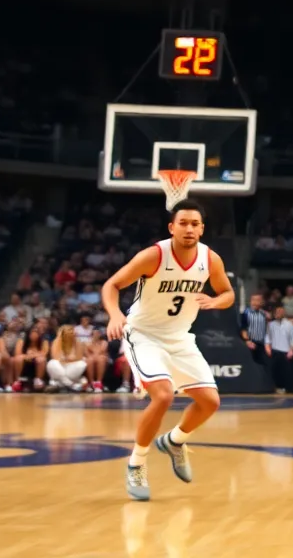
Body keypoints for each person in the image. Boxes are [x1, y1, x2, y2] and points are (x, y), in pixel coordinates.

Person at [103, 199, 235, 502]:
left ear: (202, 229)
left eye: (194, 224)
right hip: (144, 335)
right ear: (171, 227)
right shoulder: (154, 256)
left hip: (180, 338)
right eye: (183, 223)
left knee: (210, 402)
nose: (189, 228)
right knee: (163, 395)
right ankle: (137, 462)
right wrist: (114, 314)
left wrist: (216, 302)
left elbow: (227, 292)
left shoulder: (210, 259)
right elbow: (112, 285)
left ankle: (175, 441)